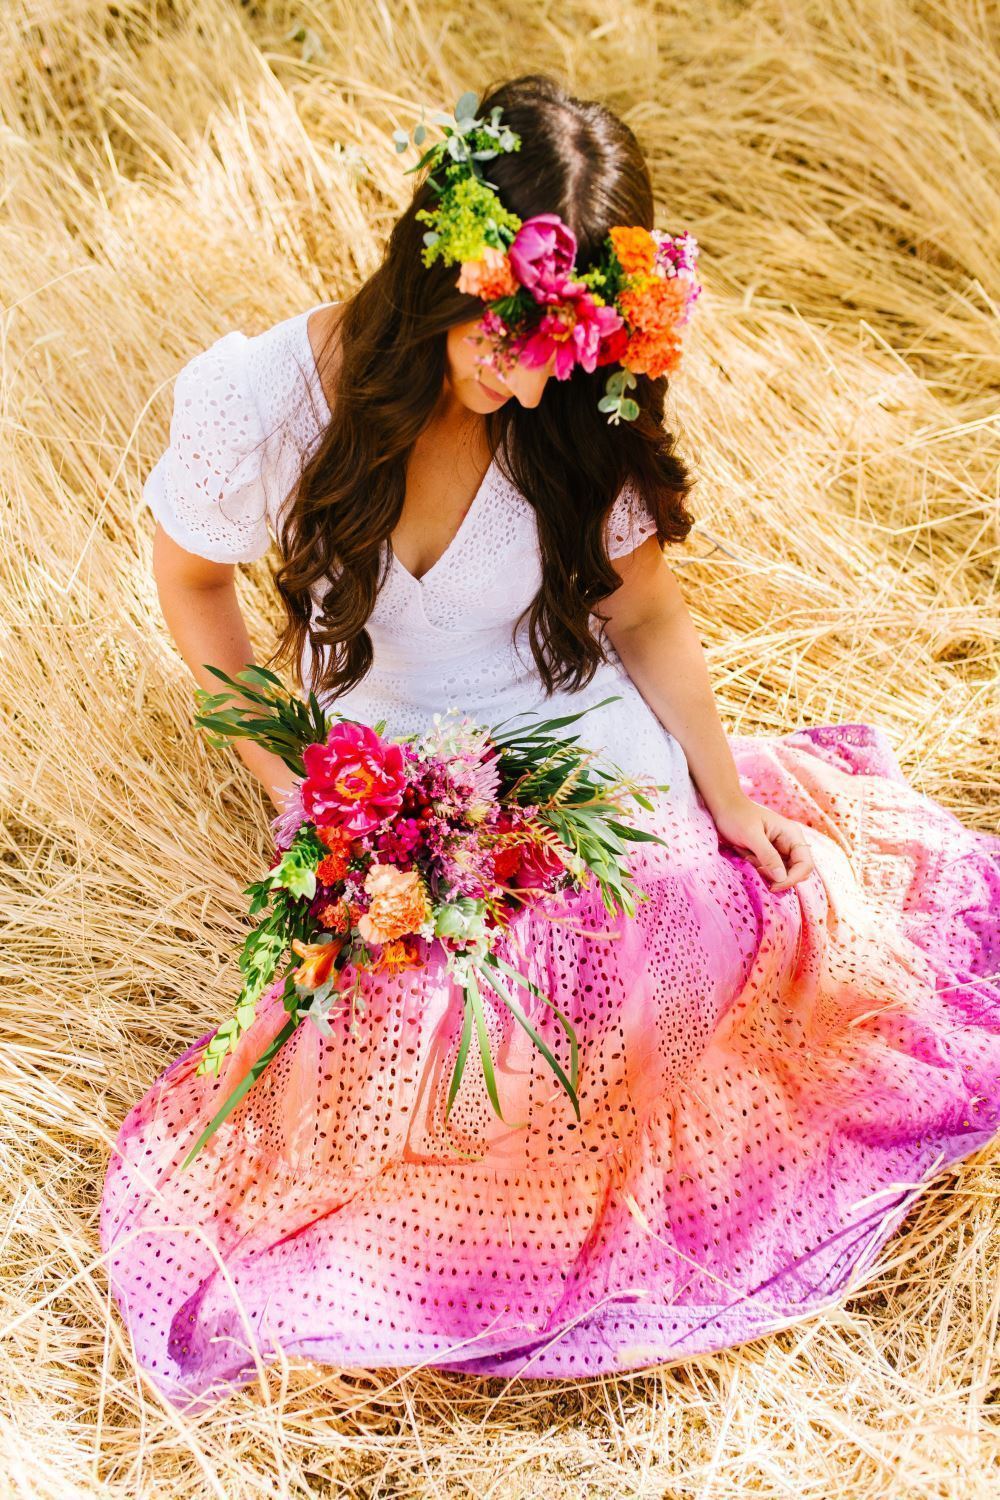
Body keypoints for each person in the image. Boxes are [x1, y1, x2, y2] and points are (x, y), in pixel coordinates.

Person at [101, 73, 1000, 1409]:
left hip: (566, 706)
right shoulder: (268, 401)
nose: (520, 371)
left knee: (673, 923)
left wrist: (722, 790)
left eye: (554, 348)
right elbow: (190, 584)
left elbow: (642, 612)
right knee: (442, 1014)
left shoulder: (570, 413)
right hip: (394, 744)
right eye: (495, 331)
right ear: (437, 266)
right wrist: (289, 773)